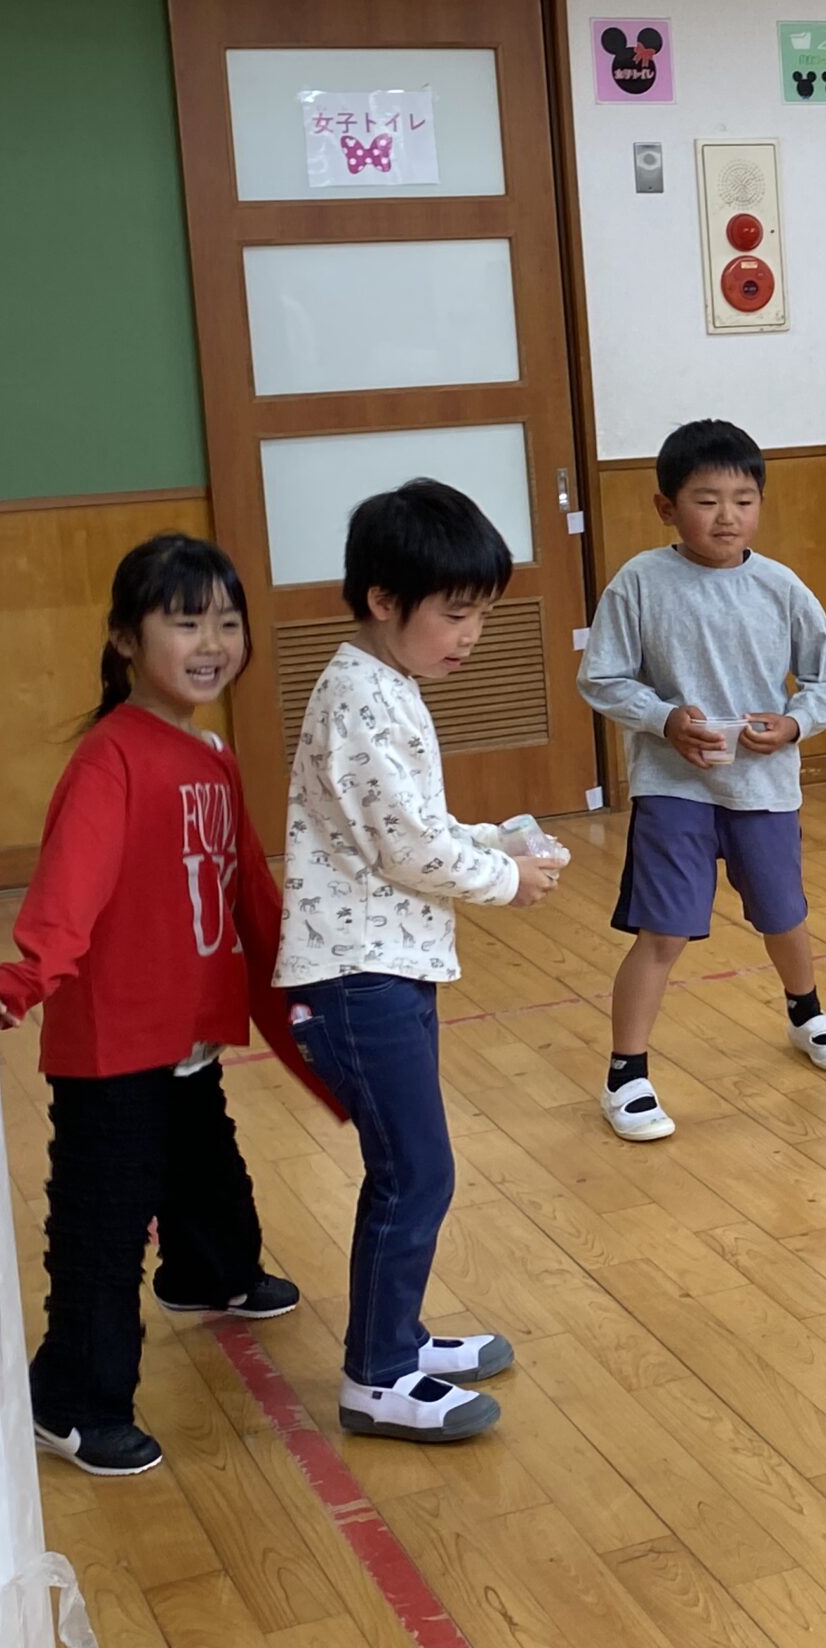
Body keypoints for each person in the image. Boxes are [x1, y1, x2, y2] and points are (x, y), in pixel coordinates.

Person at [0, 535, 334, 1478]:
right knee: (103, 1222)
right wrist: (22, 981)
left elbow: (247, 884)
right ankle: (70, 1401)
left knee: (200, 1157)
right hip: (115, 1041)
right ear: (124, 639)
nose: (211, 643)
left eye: (227, 622)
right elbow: (68, 891)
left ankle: (210, 1273)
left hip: (184, 1031)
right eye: (185, 623)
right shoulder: (110, 759)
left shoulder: (210, 752)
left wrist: (308, 973)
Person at [276, 480, 562, 1444]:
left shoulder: (383, 684)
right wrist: (503, 877)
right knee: (415, 1172)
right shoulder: (360, 696)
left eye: (481, 615)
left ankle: (394, 1339)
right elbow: (405, 846)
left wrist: (493, 840)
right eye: (455, 614)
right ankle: (377, 1376)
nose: (470, 636)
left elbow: (407, 828)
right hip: (357, 979)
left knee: (412, 1168)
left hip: (387, 967)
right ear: (383, 600)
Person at [577, 419, 826, 1142]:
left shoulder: (781, 586)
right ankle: (626, 1073)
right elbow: (602, 677)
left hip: (764, 788)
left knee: (782, 912)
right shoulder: (640, 582)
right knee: (663, 930)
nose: (727, 516)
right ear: (666, 507)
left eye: (743, 500)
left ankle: (806, 1011)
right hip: (673, 789)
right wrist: (665, 719)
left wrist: (792, 724)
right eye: (706, 500)